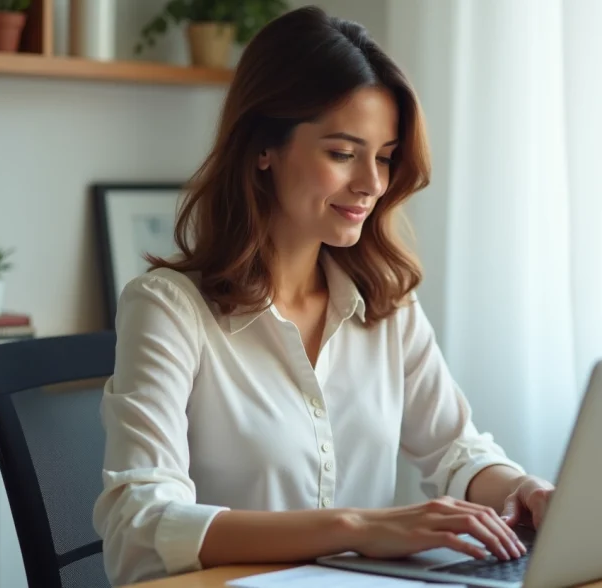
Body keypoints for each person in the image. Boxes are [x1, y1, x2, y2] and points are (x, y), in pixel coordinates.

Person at [92, 5, 555, 586]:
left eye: (384, 157)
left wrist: (525, 488)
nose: (372, 183)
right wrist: (357, 527)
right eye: (342, 153)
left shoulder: (385, 305)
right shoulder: (167, 309)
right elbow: (141, 524)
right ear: (264, 147)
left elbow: (455, 451)